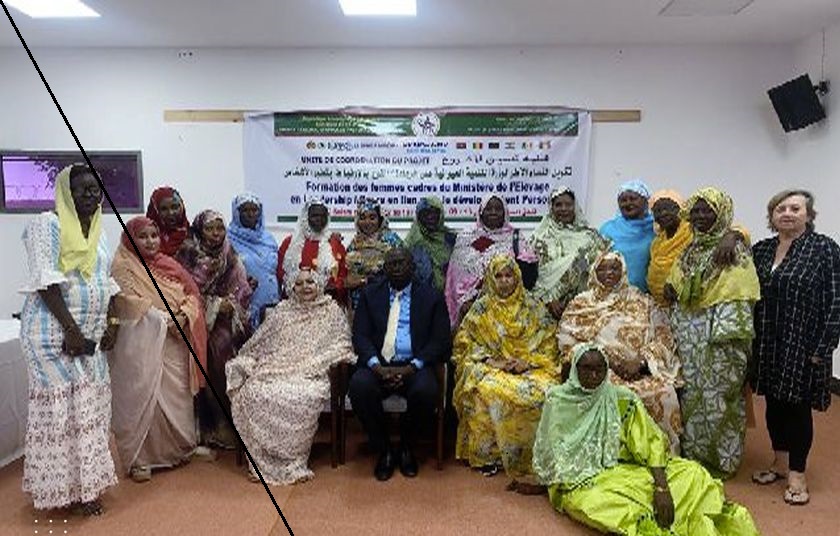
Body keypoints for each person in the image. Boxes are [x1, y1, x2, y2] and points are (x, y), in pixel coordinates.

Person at [532, 344, 760, 536]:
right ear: (574, 370)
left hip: (628, 469)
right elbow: (553, 453)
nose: (594, 376)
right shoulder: (558, 402)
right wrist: (542, 483)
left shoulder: (621, 399)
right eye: (587, 369)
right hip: (583, 481)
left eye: (600, 370)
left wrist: (661, 488)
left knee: (693, 473)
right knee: (602, 504)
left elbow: (650, 443)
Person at [19, 164, 119, 515]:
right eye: (81, 189)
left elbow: (106, 282)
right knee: (62, 413)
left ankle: (87, 487)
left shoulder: (99, 233)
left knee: (91, 410)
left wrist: (112, 322)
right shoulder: (48, 224)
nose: (90, 194)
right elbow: (45, 281)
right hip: (52, 335)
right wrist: (71, 330)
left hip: (90, 338)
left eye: (95, 188)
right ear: (65, 192)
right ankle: (61, 491)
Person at [750, 190, 840, 506]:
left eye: (795, 208)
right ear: (772, 216)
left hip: (802, 343)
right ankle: (779, 462)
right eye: (781, 209)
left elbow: (836, 301)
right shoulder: (761, 250)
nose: (787, 213)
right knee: (773, 404)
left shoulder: (824, 249)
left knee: (797, 408)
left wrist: (823, 347)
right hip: (766, 342)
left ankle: (797, 474)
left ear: (808, 215)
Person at [227, 268, 355, 484]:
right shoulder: (282, 311)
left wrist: (313, 364)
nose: (305, 287)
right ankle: (264, 460)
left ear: (319, 284)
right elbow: (259, 342)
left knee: (302, 395)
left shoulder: (332, 311)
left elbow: (342, 344)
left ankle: (292, 460)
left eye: (310, 282)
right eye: (299, 283)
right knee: (253, 390)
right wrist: (250, 361)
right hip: (276, 368)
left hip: (311, 373)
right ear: (292, 288)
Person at [664, 188, 759, 477]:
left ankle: (721, 461)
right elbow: (676, 283)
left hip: (719, 340)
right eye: (696, 211)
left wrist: (724, 341)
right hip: (687, 339)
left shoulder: (733, 249)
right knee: (690, 397)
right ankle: (693, 455)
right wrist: (671, 287)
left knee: (718, 398)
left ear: (721, 214)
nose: (700, 216)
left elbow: (738, 295)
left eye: (708, 210)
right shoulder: (691, 248)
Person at [109, 216, 208, 482]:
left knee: (178, 396)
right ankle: (141, 460)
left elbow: (192, 294)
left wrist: (184, 315)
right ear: (130, 239)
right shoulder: (123, 265)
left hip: (176, 340)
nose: (150, 241)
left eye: (154, 235)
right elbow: (126, 302)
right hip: (143, 342)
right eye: (143, 236)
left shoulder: (168, 263)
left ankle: (182, 448)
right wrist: (165, 320)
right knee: (144, 397)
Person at [452, 254, 559, 492]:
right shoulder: (481, 308)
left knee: (545, 390)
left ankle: (533, 454)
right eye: (498, 276)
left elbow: (549, 345)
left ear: (517, 276)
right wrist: (492, 361)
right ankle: (490, 456)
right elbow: (463, 344)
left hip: (529, 367)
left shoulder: (533, 306)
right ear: (491, 279)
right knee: (486, 388)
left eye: (508, 275)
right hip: (493, 368)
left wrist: (526, 362)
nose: (504, 281)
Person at [558, 251, 682, 451]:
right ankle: (615, 456)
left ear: (623, 271)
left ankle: (661, 455)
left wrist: (641, 361)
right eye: (603, 268)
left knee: (664, 393)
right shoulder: (581, 304)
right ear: (594, 272)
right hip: (600, 370)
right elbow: (568, 344)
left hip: (642, 370)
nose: (609, 273)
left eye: (615, 268)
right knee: (611, 394)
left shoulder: (643, 300)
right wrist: (609, 361)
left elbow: (663, 336)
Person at [348, 247, 451, 481]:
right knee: (359, 387)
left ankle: (406, 447)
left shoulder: (431, 296)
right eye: (391, 264)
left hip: (414, 366)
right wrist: (376, 366)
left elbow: (440, 340)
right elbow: (360, 335)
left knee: (426, 390)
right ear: (384, 269)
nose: (396, 268)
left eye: (401, 263)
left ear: (412, 267)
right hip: (379, 365)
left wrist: (412, 367)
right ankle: (383, 449)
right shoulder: (370, 295)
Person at [176, 210, 252, 449]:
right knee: (211, 358)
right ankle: (213, 426)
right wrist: (216, 304)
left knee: (234, 359)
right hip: (198, 319)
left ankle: (237, 424)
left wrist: (232, 302)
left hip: (229, 320)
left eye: (220, 228)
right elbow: (182, 292)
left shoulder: (229, 252)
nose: (216, 233)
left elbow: (241, 287)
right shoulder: (187, 253)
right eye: (210, 228)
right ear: (200, 230)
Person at [445, 194, 537, 326]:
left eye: (498, 209)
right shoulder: (465, 237)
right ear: (481, 212)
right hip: (469, 311)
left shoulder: (516, 238)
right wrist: (465, 301)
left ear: (505, 213)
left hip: (506, 308)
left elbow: (525, 275)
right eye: (488, 209)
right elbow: (455, 278)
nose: (493, 212)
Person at [648, 190, 749, 307]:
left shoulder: (692, 230)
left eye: (669, 208)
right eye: (657, 211)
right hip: (665, 307)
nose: (663, 213)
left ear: (681, 209)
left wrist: (732, 236)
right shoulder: (657, 242)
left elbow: (735, 230)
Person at [528, 187, 607, 319]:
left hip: (584, 306)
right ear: (551, 208)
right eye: (558, 205)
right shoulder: (539, 237)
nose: (564, 209)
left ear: (575, 207)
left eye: (568, 204)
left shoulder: (590, 237)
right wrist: (548, 299)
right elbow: (533, 274)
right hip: (547, 307)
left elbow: (600, 270)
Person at [276, 198, 347, 304]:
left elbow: (343, 275)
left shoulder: (335, 244)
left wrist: (326, 288)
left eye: (323, 216)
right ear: (306, 217)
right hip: (295, 304)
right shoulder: (290, 243)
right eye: (315, 216)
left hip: (327, 304)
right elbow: (281, 273)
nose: (319, 219)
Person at [228, 192, 279, 327]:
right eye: (245, 210)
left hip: (272, 305)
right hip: (244, 307)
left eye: (254, 210)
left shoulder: (268, 239)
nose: (251, 214)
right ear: (237, 213)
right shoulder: (228, 240)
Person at [345, 199, 404, 309]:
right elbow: (347, 278)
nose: (367, 222)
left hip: (387, 300)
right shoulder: (355, 243)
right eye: (362, 218)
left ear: (380, 219)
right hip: (360, 302)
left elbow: (403, 269)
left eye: (372, 218)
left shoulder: (392, 240)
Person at [599, 180, 655, 292]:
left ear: (646, 201)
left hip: (647, 296)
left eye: (633, 199)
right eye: (623, 200)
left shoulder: (655, 228)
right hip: (614, 295)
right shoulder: (608, 229)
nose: (628, 203)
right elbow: (598, 264)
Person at [403, 196, 457, 292]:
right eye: (425, 213)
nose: (430, 217)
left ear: (441, 214)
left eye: (434, 213)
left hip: (450, 295)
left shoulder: (451, 239)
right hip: (420, 296)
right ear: (419, 217)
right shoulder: (411, 242)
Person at [146, 186, 190, 256]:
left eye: (174, 207)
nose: (170, 213)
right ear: (155, 211)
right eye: (164, 209)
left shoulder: (194, 236)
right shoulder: (143, 239)